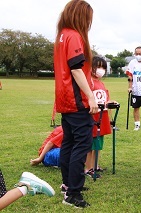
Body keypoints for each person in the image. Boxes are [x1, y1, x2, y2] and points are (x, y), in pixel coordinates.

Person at [54, 0, 98, 208]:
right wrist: (91, 97)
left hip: (64, 100)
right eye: (88, 18)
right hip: (76, 100)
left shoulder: (62, 35)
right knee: (81, 145)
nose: (89, 23)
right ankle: (73, 193)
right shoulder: (73, 35)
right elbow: (76, 69)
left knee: (69, 144)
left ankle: (67, 184)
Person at [85, 56, 117, 178]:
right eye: (98, 67)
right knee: (90, 143)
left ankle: (96, 165)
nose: (101, 70)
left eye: (103, 67)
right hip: (92, 117)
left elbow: (105, 99)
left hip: (102, 117)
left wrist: (110, 103)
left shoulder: (101, 83)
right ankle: (88, 168)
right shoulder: (88, 82)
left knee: (98, 142)